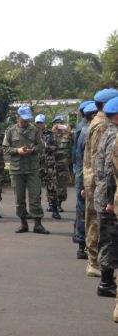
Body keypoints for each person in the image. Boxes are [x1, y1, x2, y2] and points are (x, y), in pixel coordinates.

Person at [84, 88, 118, 277]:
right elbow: (102, 161)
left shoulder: (100, 123)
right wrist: (107, 196)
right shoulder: (102, 125)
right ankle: (95, 263)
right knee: (99, 226)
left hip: (98, 182)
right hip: (100, 183)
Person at [2, 105, 49, 234]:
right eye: (24, 118)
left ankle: (38, 224)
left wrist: (32, 150)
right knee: (19, 199)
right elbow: (5, 149)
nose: (26, 121)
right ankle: (23, 224)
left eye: (28, 118)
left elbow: (41, 146)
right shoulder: (10, 131)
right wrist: (17, 150)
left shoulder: (35, 130)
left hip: (32, 169)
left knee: (35, 197)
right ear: (18, 117)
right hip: (16, 170)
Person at [93, 97, 118, 298]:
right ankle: (106, 283)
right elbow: (111, 170)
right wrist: (111, 201)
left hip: (103, 192)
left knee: (107, 239)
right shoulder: (114, 135)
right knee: (110, 240)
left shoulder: (107, 132)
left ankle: (107, 281)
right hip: (109, 197)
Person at [75, 102, 98, 260]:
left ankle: (82, 244)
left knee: (83, 210)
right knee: (87, 211)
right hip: (87, 176)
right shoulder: (87, 130)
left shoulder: (82, 128)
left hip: (82, 174)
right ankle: (84, 245)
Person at [36, 114, 60, 218]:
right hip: (37, 165)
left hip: (49, 165)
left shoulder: (51, 134)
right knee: (36, 189)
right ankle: (36, 211)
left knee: (52, 188)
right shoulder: (33, 134)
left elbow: (56, 147)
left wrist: (46, 147)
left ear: (44, 123)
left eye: (41, 122)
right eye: (37, 123)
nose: (39, 124)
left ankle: (54, 209)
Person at [52, 115, 73, 214]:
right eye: (57, 123)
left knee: (62, 187)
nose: (59, 125)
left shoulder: (68, 136)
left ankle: (59, 204)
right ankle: (52, 204)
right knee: (51, 186)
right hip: (52, 166)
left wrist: (69, 131)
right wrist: (52, 132)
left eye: (61, 123)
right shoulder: (50, 135)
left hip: (63, 166)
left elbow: (75, 142)